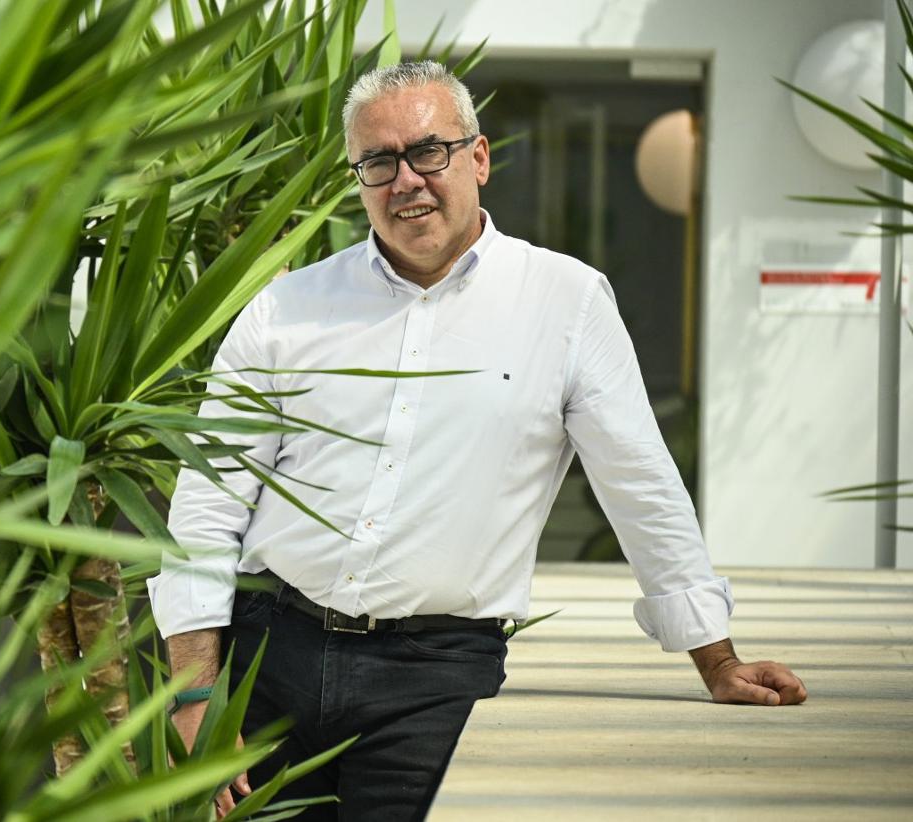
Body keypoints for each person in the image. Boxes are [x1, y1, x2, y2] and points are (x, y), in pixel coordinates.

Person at [147, 60, 807, 821]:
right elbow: (209, 501)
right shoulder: (286, 309)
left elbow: (640, 486)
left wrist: (716, 659)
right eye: (378, 162)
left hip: (434, 681)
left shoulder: (566, 302)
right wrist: (196, 696)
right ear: (356, 176)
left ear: (480, 158)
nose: (406, 181)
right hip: (271, 661)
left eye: (430, 152)